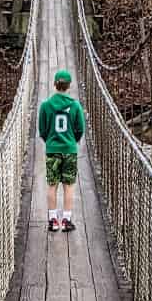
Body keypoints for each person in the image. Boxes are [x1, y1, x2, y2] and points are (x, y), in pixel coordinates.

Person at [38, 67, 86, 231]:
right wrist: (72, 141)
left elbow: (42, 130)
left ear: (54, 84)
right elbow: (80, 129)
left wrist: (51, 142)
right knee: (69, 185)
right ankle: (66, 220)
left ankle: (52, 221)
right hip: (70, 150)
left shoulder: (45, 105)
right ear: (69, 86)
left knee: (52, 184)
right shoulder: (75, 106)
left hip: (52, 149)